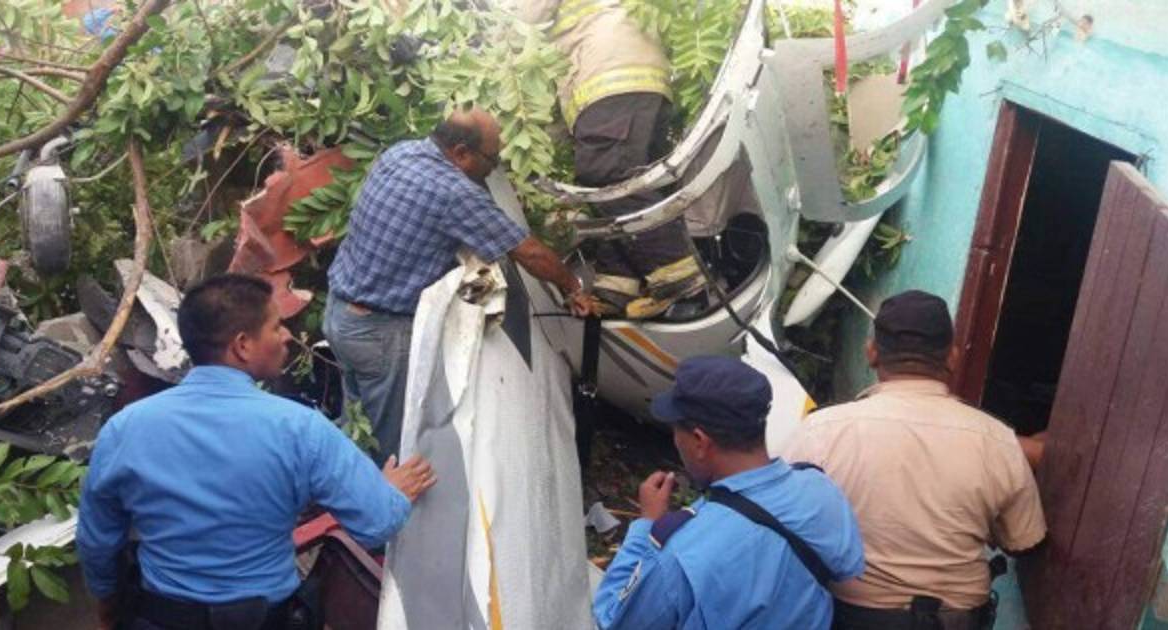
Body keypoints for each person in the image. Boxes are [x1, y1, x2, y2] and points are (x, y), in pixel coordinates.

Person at [77, 274, 437, 630]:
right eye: (276, 326)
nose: (287, 336)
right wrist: (390, 491)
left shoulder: (124, 429)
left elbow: (97, 540)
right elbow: (377, 523)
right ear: (243, 345)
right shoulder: (300, 428)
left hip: (160, 617)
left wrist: (108, 604)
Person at [325, 107, 595, 466]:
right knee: (392, 446)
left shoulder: (400, 153)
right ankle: (385, 499)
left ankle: (342, 480)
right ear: (461, 153)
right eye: (492, 159)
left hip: (339, 314)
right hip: (380, 335)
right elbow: (528, 252)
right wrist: (573, 287)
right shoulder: (453, 193)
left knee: (357, 419)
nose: (493, 169)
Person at [783, 290, 1048, 630]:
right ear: (952, 357)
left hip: (854, 616)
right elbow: (1025, 542)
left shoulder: (820, 431)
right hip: (956, 619)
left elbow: (786, 529)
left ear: (872, 352)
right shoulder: (997, 441)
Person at [593, 356, 865, 629]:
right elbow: (848, 568)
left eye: (676, 431)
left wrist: (646, 526)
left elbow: (613, 619)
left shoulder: (680, 555)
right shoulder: (821, 489)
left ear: (699, 441)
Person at [504, 0, 704, 318]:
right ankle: (618, 284)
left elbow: (524, 18)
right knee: (631, 183)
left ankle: (680, 280)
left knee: (607, 177)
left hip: (609, 75)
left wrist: (493, 39)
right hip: (640, 77)